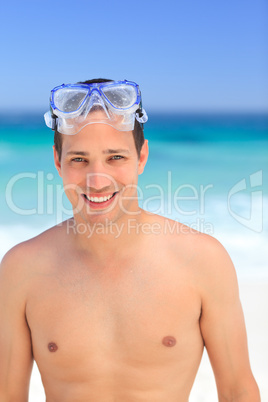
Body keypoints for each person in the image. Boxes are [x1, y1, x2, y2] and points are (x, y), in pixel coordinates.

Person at [0, 78, 260, 402]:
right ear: (57, 161)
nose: (97, 180)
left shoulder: (203, 262)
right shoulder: (21, 270)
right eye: (79, 159)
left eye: (115, 158)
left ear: (141, 157)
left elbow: (238, 390)